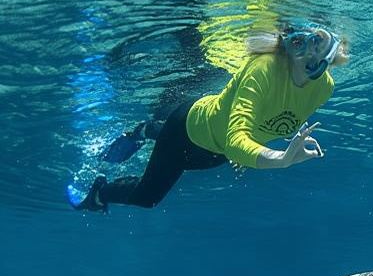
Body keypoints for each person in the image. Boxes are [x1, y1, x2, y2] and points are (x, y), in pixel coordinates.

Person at [70, 21, 348, 212]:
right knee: (147, 198)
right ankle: (98, 194)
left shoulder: (325, 89)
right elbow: (235, 137)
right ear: (284, 47)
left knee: (203, 154)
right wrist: (280, 158)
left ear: (331, 53)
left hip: (217, 153)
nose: (307, 52)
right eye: (297, 43)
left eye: (318, 43)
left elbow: (277, 118)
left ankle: (149, 130)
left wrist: (253, 151)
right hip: (185, 133)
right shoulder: (263, 70)